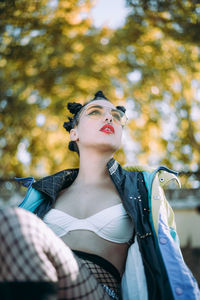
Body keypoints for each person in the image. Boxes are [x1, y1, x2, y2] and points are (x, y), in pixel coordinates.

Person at [0, 91, 199, 300]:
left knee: (12, 220)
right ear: (74, 133)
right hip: (45, 287)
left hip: (100, 293)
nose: (108, 117)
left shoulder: (141, 190)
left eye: (116, 115)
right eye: (95, 112)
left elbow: (171, 259)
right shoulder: (45, 195)